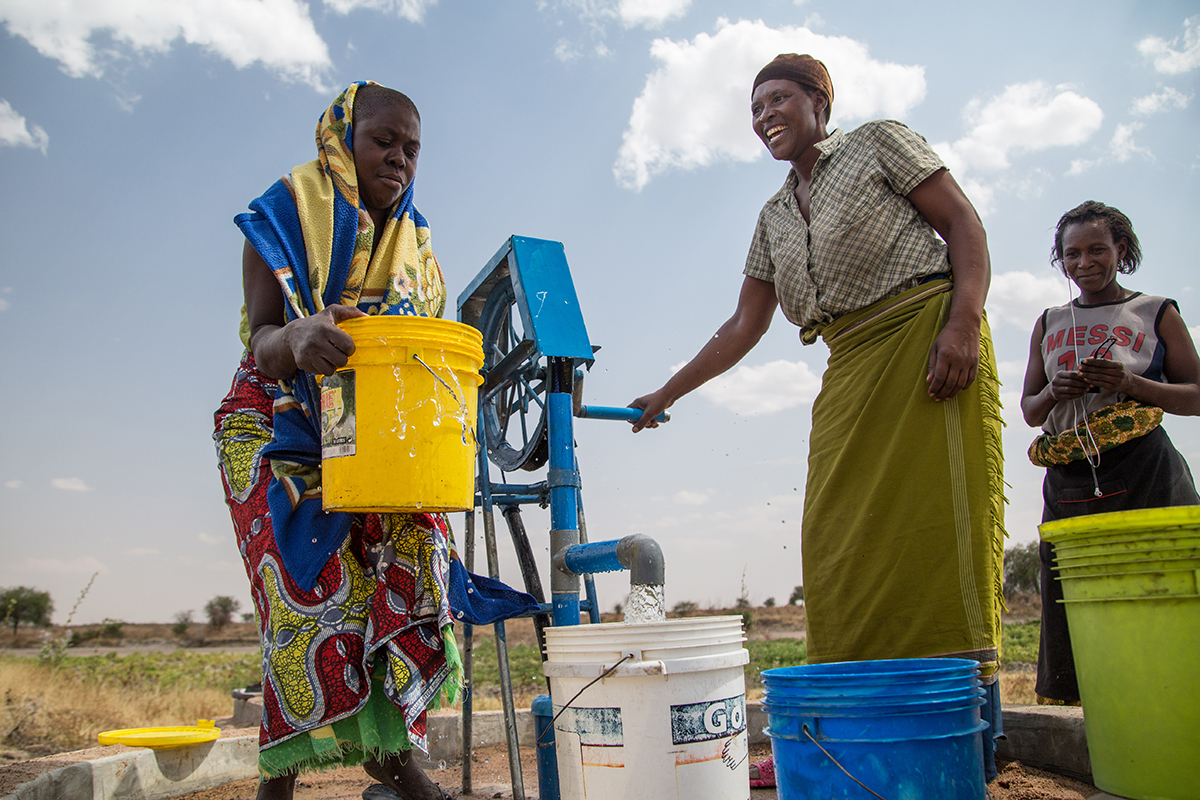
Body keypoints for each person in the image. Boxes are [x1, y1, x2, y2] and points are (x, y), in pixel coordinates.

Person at [629, 53, 1006, 786]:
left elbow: (963, 223)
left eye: (779, 98)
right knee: (834, 539)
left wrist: (962, 323)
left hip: (927, 340)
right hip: (849, 364)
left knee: (939, 531)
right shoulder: (771, 216)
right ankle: (854, 728)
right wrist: (666, 393)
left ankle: (970, 728)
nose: (765, 113)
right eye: (755, 105)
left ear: (819, 102)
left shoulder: (878, 143)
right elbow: (743, 325)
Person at [213, 82, 456, 800]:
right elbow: (261, 342)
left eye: (412, 148)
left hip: (369, 430)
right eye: (384, 140)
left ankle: (394, 763)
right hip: (274, 421)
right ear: (342, 139)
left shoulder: (416, 244)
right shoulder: (282, 215)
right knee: (306, 596)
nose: (400, 159)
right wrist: (300, 333)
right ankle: (278, 788)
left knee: (411, 569)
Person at [1020, 200, 1200, 703]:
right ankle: (1092, 711)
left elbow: (1197, 395)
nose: (1084, 263)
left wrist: (1131, 382)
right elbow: (1031, 411)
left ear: (1121, 250)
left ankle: (1174, 701)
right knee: (1071, 597)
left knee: (1164, 587)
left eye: (1097, 249)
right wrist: (1057, 390)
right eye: (1071, 254)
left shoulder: (1155, 311)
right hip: (1071, 477)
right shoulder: (1050, 320)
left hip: (1144, 469)